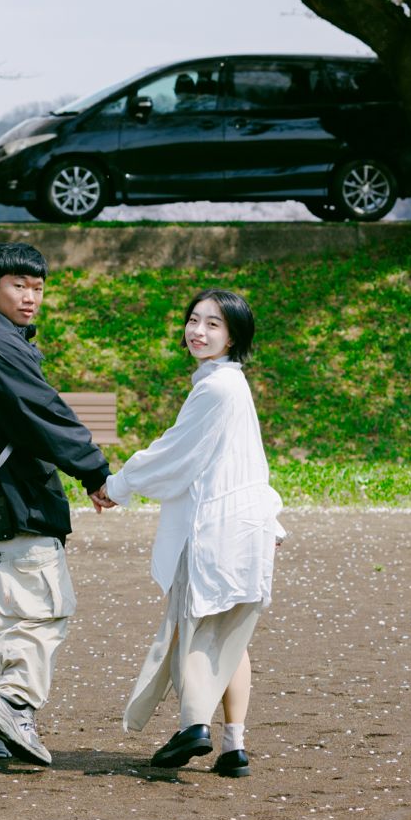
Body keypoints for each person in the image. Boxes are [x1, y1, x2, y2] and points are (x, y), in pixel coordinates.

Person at [0, 241, 111, 767]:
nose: (30, 298)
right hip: (4, 508)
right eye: (18, 286)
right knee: (35, 615)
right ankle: (12, 706)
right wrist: (93, 469)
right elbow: (41, 412)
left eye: (37, 289)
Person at [91, 288, 284, 777]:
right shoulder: (230, 386)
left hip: (216, 528)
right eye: (194, 320)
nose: (198, 331)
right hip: (245, 525)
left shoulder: (217, 389)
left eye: (213, 324)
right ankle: (234, 748)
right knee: (230, 638)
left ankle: (194, 725)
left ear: (234, 335)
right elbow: (249, 460)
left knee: (195, 625)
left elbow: (176, 452)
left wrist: (118, 485)